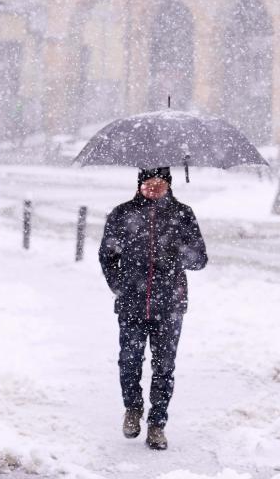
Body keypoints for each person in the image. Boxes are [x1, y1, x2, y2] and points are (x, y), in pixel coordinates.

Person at [99, 167, 207, 450]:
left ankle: (157, 424)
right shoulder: (122, 214)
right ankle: (133, 409)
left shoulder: (182, 214)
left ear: (169, 185)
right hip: (131, 304)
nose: (154, 187)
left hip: (170, 304)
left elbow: (200, 259)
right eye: (148, 183)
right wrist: (119, 286)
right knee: (129, 360)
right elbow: (107, 256)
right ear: (139, 185)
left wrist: (179, 251)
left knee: (164, 366)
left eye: (160, 183)